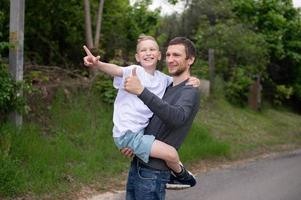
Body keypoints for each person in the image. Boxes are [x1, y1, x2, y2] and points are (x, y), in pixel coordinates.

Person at [83, 35, 198, 187]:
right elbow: (116, 70)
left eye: (152, 49)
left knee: (170, 154)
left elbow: (182, 80)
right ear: (137, 57)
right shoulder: (134, 71)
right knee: (171, 154)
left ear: (158, 55)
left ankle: (175, 176)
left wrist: (195, 79)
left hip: (139, 133)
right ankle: (183, 177)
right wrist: (98, 64)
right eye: (143, 50)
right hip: (127, 133)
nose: (148, 53)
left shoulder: (163, 79)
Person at [122, 36, 201, 200]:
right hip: (138, 165)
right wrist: (135, 141)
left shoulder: (190, 91)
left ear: (190, 60)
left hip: (154, 173)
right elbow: (150, 117)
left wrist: (141, 91)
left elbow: (177, 117)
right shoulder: (165, 85)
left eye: (177, 55)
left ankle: (183, 175)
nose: (170, 60)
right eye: (168, 55)